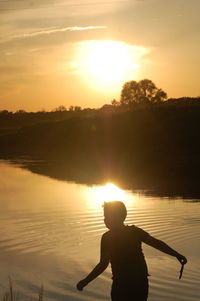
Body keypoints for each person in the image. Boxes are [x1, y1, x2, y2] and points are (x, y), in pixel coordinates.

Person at [76, 201, 187, 300]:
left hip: (122, 284)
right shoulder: (134, 232)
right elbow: (156, 243)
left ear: (118, 217)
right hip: (139, 281)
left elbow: (103, 264)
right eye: (104, 216)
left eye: (107, 216)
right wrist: (176, 254)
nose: (104, 220)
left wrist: (85, 281)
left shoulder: (107, 238)